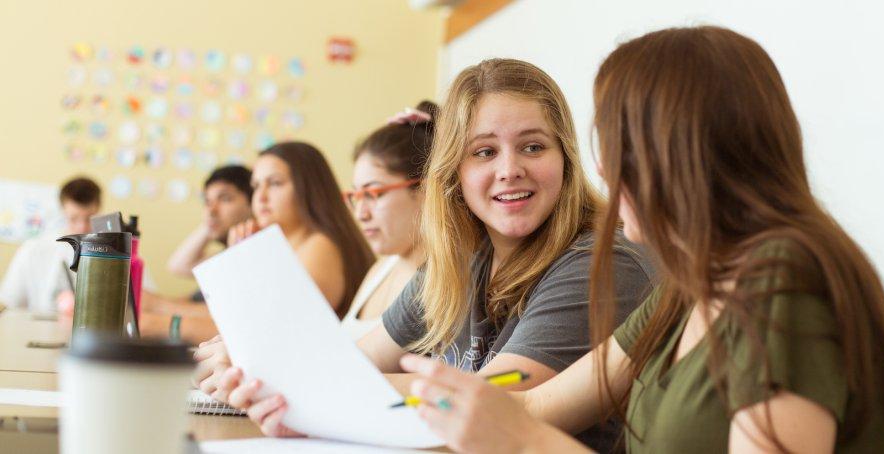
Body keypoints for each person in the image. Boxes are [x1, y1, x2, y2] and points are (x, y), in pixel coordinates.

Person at [395, 26, 884, 453]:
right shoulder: (688, 285)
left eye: (613, 143)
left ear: (673, 154)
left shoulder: (783, 282)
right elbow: (533, 406)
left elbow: (528, 428)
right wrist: (443, 400)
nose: (602, 170)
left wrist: (528, 444)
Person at [198, 59, 655, 452]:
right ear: (454, 170)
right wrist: (263, 369)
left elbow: (486, 407)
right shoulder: (460, 262)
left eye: (533, 146)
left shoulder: (603, 263)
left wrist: (292, 380)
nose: (510, 169)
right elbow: (352, 365)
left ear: (567, 161)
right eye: (484, 152)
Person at [228, 142, 376, 318]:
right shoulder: (289, 247)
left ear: (309, 189)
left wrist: (244, 262)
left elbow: (276, 322)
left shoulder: (320, 245)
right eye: (256, 186)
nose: (261, 197)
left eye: (275, 183)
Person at [339, 100, 437, 339]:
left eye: (374, 194)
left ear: (425, 191)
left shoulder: (438, 283)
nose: (361, 213)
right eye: (356, 196)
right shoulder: (382, 267)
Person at [139, 165, 254, 342]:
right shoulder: (227, 256)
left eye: (225, 199)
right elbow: (178, 266)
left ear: (252, 203)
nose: (211, 209)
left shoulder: (253, 256)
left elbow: (179, 267)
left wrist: (155, 307)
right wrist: (211, 222)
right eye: (207, 202)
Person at [0, 176, 101, 312]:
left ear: (99, 209)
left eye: (89, 218)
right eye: (73, 218)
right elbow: (11, 302)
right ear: (63, 210)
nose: (82, 227)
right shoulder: (32, 248)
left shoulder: (112, 251)